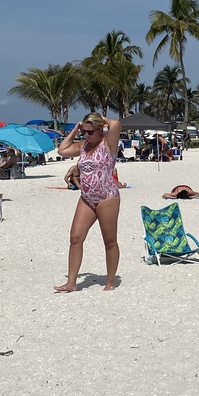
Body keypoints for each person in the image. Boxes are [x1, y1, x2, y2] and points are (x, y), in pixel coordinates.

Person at [54, 112, 123, 292]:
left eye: (90, 132)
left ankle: (110, 281)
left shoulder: (108, 144)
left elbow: (115, 124)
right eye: (84, 131)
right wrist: (75, 129)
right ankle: (71, 283)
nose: (87, 135)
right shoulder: (83, 145)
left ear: (100, 130)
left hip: (107, 197)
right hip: (87, 197)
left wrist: (100, 119)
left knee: (109, 241)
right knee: (75, 237)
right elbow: (62, 150)